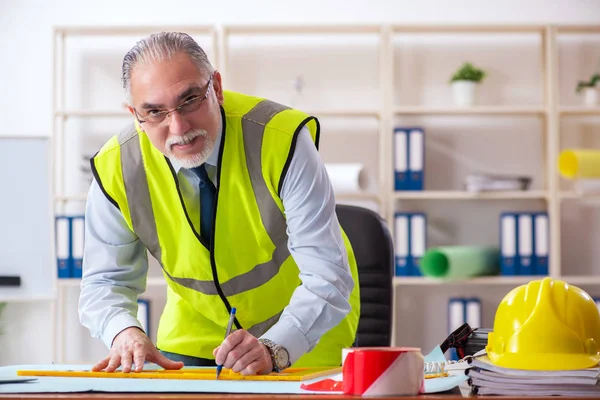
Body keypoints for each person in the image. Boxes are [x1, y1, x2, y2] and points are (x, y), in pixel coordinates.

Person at [78, 31, 361, 376]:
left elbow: (327, 275)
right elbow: (104, 282)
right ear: (134, 113)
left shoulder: (282, 139)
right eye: (154, 112)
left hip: (302, 334)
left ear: (216, 87)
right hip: (192, 341)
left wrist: (277, 347)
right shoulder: (116, 167)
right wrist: (124, 332)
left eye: (190, 100)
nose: (178, 127)